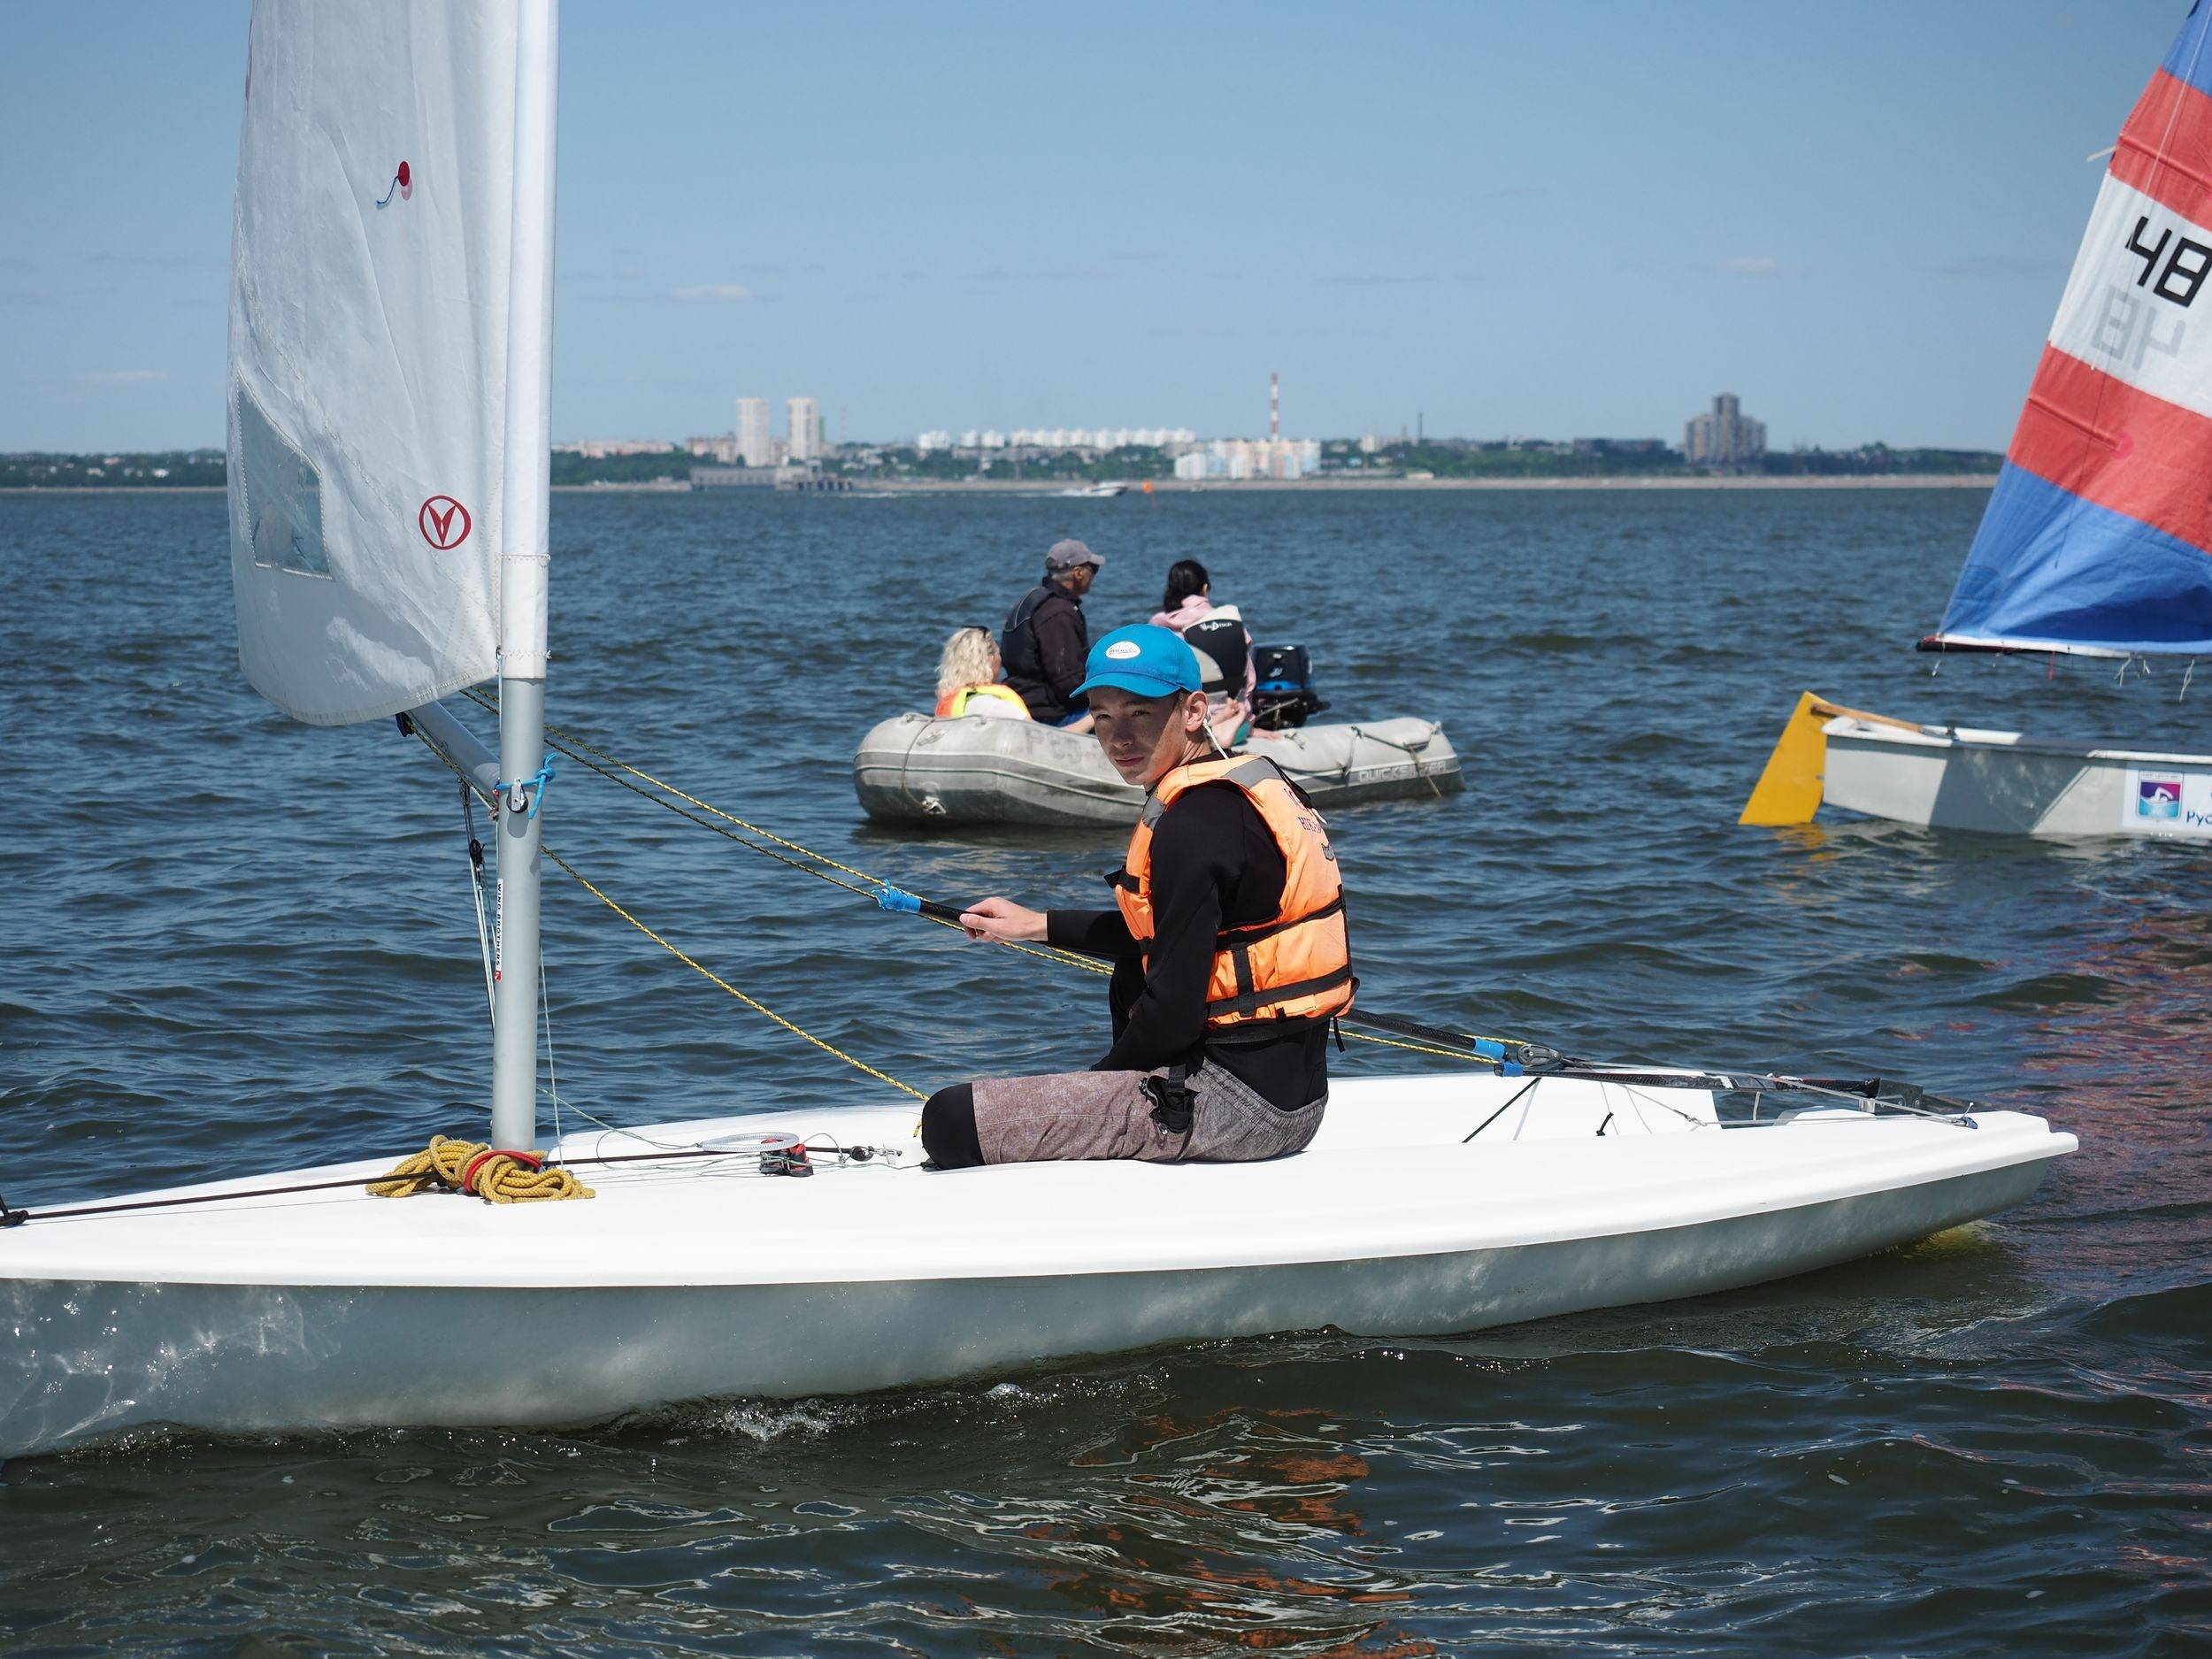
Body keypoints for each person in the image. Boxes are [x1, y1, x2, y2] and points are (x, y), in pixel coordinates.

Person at [918, 624, 1353, 1170]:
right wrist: (1035, 925)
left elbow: (1173, 1015)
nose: (1118, 737)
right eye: (1102, 717)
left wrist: (1094, 1089)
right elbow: (1171, 934)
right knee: (1132, 971)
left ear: (1193, 711)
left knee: (949, 1119)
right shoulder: (1238, 790)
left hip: (1239, 1109)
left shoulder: (1191, 824)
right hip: (1300, 1101)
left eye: (1140, 713)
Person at [1148, 558, 1256, 747]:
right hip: (1237, 715)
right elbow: (1250, 681)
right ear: (1205, 588)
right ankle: (1227, 720)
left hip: (1190, 720)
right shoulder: (1233, 623)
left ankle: (1212, 724)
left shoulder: (1163, 630)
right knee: (1239, 716)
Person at [1000, 539, 1103, 726]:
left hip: (1024, 702)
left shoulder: (1032, 600)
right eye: (1093, 569)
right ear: (1078, 573)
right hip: (1051, 714)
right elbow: (1068, 683)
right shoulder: (1058, 612)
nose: (1094, 575)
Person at [933, 626, 1029, 719]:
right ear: (989, 660)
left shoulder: (953, 701)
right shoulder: (992, 707)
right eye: (998, 654)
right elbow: (1029, 727)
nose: (1001, 661)